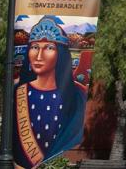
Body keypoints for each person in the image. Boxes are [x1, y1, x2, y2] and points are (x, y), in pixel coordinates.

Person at [13, 16, 87, 168]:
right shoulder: (17, 92)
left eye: (49, 48)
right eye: (34, 47)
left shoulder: (77, 95)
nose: (39, 56)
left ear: (60, 54)